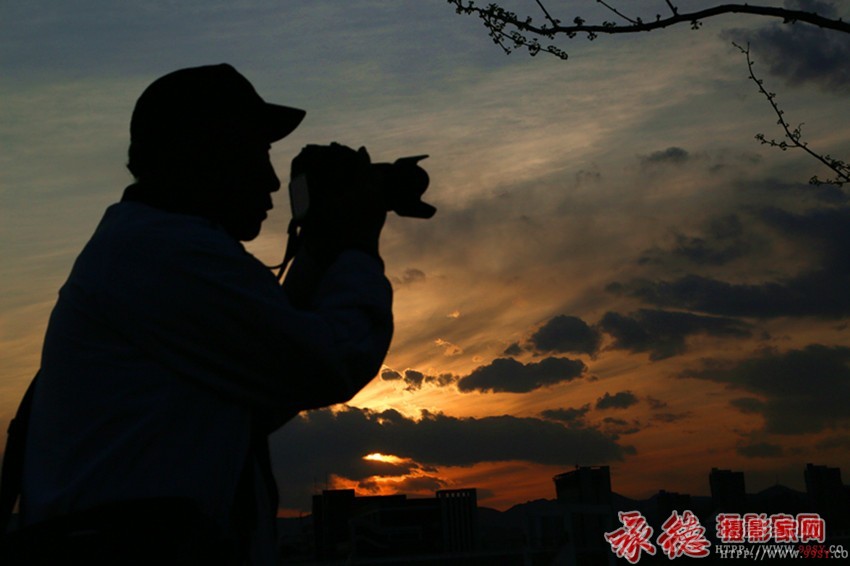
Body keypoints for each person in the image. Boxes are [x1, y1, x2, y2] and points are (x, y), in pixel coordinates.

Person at [13, 64, 394, 565]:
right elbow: (328, 359)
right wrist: (358, 246)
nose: (271, 182)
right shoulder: (168, 254)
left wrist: (322, 248)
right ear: (204, 156)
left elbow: (267, 382)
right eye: (256, 154)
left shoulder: (153, 248)